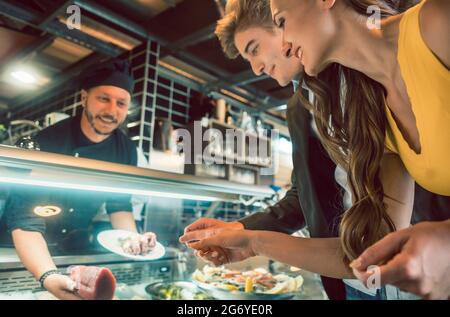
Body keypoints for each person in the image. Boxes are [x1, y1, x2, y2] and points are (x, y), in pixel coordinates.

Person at [182, 0, 450, 299]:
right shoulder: (377, 113)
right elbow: (369, 248)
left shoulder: (434, 25)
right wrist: (251, 240)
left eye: (281, 21)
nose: (283, 45)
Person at [183, 0, 347, 300]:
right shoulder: (299, 106)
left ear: (284, 24)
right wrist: (237, 228)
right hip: (346, 277)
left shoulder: (363, 74)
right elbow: (304, 195)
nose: (256, 68)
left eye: (254, 48)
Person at [3, 58, 156, 300]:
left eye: (121, 103)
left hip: (71, 248)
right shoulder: (48, 141)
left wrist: (132, 239)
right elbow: (24, 220)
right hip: (24, 249)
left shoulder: (126, 150)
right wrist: (48, 277)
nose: (111, 111)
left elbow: (119, 206)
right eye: (103, 98)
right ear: (84, 98)